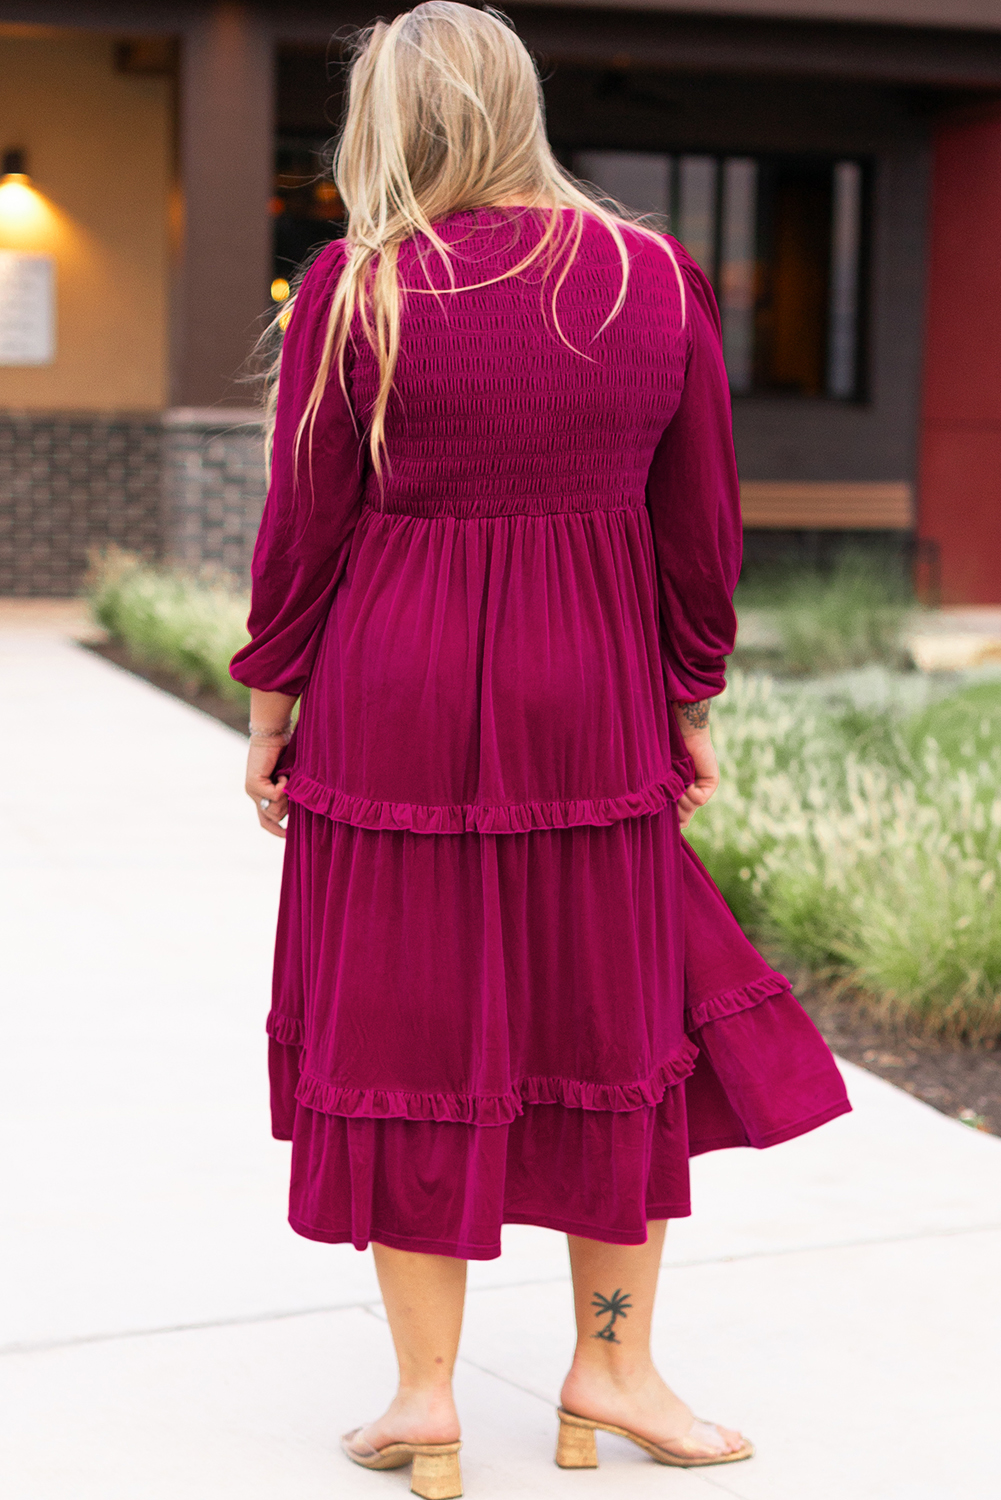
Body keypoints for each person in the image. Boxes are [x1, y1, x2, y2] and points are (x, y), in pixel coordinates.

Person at [230, 6, 850, 1495]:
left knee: (402, 1027)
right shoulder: (652, 277)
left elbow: (304, 524)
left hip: (392, 694)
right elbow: (696, 521)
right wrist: (687, 693)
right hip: (590, 688)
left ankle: (427, 1399)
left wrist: (270, 704)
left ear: (387, 122)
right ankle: (614, 1367)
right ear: (520, 104)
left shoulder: (356, 288)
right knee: (609, 1022)